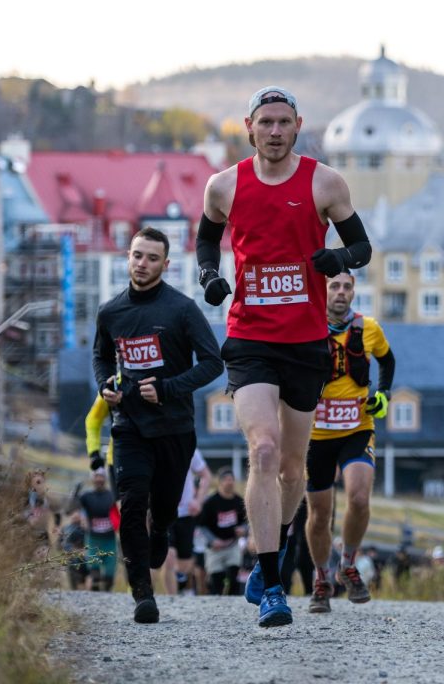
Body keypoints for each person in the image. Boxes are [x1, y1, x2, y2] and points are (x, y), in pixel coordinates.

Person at [196, 86, 372, 627]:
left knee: (294, 469)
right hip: (250, 338)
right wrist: (209, 275)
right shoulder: (224, 185)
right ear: (248, 127)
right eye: (264, 123)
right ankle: (272, 581)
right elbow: (207, 240)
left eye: (283, 123)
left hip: (305, 342)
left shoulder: (324, 182)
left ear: (298, 125)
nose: (274, 132)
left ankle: (272, 543)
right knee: (265, 450)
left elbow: (362, 249)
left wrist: (334, 256)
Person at [92, 226, 223, 624]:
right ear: (127, 258)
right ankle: (142, 595)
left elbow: (213, 363)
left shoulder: (181, 309)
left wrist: (167, 388)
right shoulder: (111, 312)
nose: (142, 264)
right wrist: (106, 385)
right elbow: (101, 357)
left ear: (166, 265)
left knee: (163, 506)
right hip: (130, 425)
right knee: (131, 504)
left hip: (174, 427)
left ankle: (162, 528)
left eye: (152, 258)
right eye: (137, 255)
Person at [304, 272, 395, 613]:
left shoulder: (368, 327)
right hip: (315, 435)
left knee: (358, 497)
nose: (341, 293)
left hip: (357, 427)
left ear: (354, 291)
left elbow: (388, 361)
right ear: (323, 289)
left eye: (347, 287)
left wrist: (383, 395)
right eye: (334, 286)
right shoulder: (306, 326)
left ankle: (348, 563)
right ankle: (321, 578)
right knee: (320, 513)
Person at [162, 449, 213, 595]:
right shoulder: (158, 446)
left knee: (185, 564)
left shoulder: (189, 449)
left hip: (186, 514)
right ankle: (171, 599)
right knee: (169, 557)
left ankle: (181, 585)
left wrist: (199, 501)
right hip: (164, 514)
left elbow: (206, 476)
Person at [198, 467, 248, 595]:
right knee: (217, 581)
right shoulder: (210, 502)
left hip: (232, 545)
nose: (229, 482)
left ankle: (232, 604)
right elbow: (202, 525)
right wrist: (213, 540)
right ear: (220, 482)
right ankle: (216, 605)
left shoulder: (239, 501)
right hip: (215, 548)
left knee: (234, 573)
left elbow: (247, 521)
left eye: (231, 479)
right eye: (226, 479)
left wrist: (243, 529)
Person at [78, 467, 118, 591]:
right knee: (94, 575)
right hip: (93, 540)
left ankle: (106, 602)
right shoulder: (86, 496)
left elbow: (121, 512)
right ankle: (93, 600)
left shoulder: (112, 496)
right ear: (92, 478)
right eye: (96, 476)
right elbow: (70, 509)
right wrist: (74, 494)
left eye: (101, 476)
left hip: (110, 540)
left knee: (109, 578)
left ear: (105, 478)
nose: (99, 479)